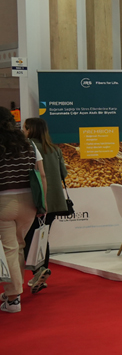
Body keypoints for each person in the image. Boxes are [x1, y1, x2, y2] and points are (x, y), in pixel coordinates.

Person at [0, 107, 46, 314]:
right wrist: (42, 203)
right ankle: (14, 292)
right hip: (29, 201)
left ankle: (13, 298)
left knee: (9, 249)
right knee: (18, 246)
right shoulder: (29, 144)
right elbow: (41, 175)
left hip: (4, 202)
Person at [23, 117, 68, 294]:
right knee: (42, 236)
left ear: (30, 130)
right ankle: (41, 272)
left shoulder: (27, 148)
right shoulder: (55, 149)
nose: (23, 131)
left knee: (28, 239)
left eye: (25, 128)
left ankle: (38, 272)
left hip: (36, 201)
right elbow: (63, 174)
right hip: (55, 201)